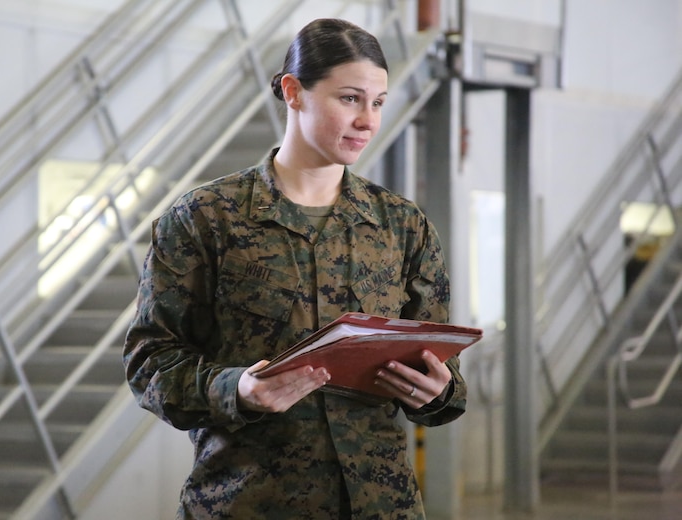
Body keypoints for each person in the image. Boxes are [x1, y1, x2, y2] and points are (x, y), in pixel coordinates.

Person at [123, 17, 467, 519]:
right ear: (293, 91)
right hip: (248, 503)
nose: (368, 120)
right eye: (350, 98)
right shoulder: (206, 219)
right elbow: (149, 362)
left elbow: (445, 378)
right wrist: (236, 389)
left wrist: (438, 391)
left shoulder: (402, 226)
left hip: (379, 506)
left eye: (378, 102)